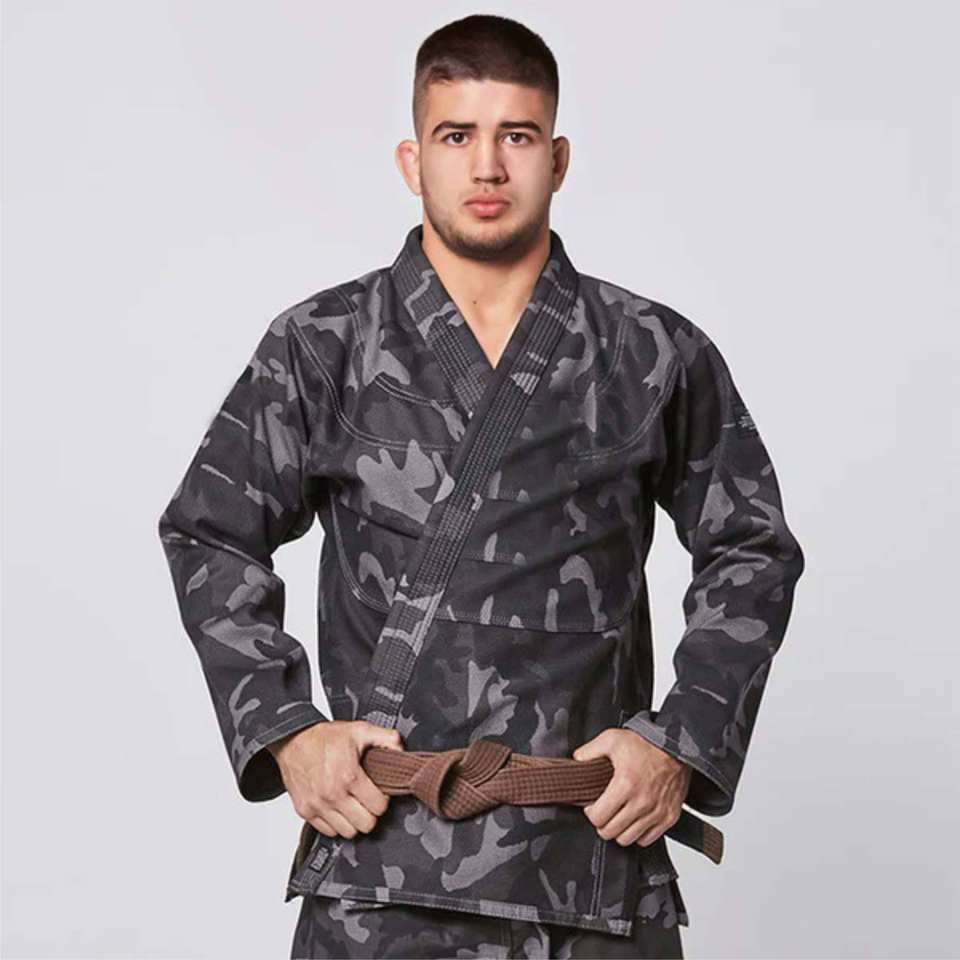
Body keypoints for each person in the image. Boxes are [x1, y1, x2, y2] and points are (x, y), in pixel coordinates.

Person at [157, 13, 805, 960]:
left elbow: (752, 547)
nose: (488, 167)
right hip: (381, 873)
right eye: (457, 135)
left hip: (591, 868)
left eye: (518, 136)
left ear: (559, 158)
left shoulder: (650, 351)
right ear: (412, 160)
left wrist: (683, 741)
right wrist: (287, 730)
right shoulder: (323, 345)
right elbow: (209, 530)